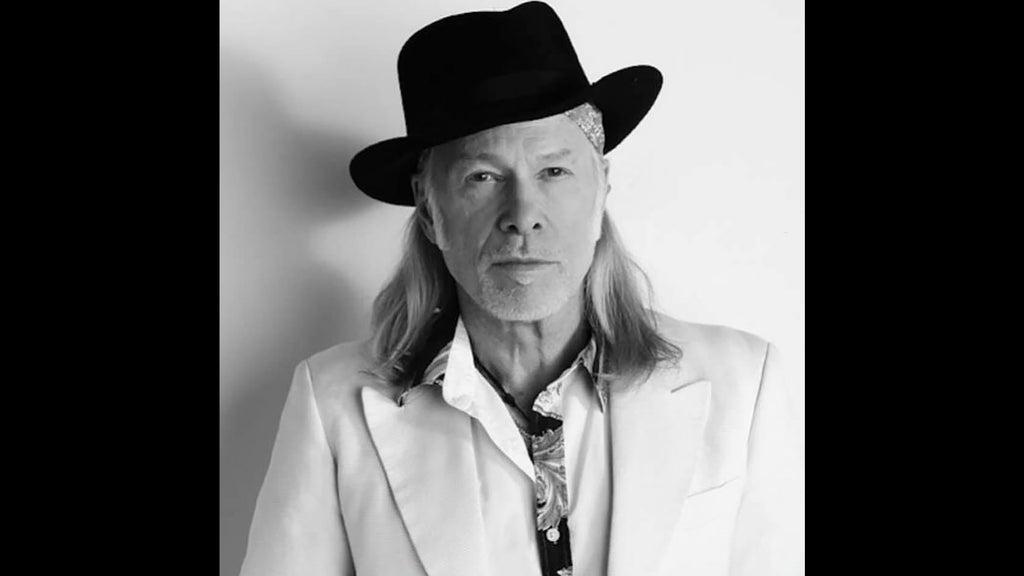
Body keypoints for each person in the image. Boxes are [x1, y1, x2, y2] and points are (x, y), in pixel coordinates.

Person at [239, 2, 803, 575]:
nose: (522, 214)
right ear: (430, 212)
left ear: (602, 190)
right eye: (482, 177)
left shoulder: (742, 385)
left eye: (554, 171)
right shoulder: (333, 405)